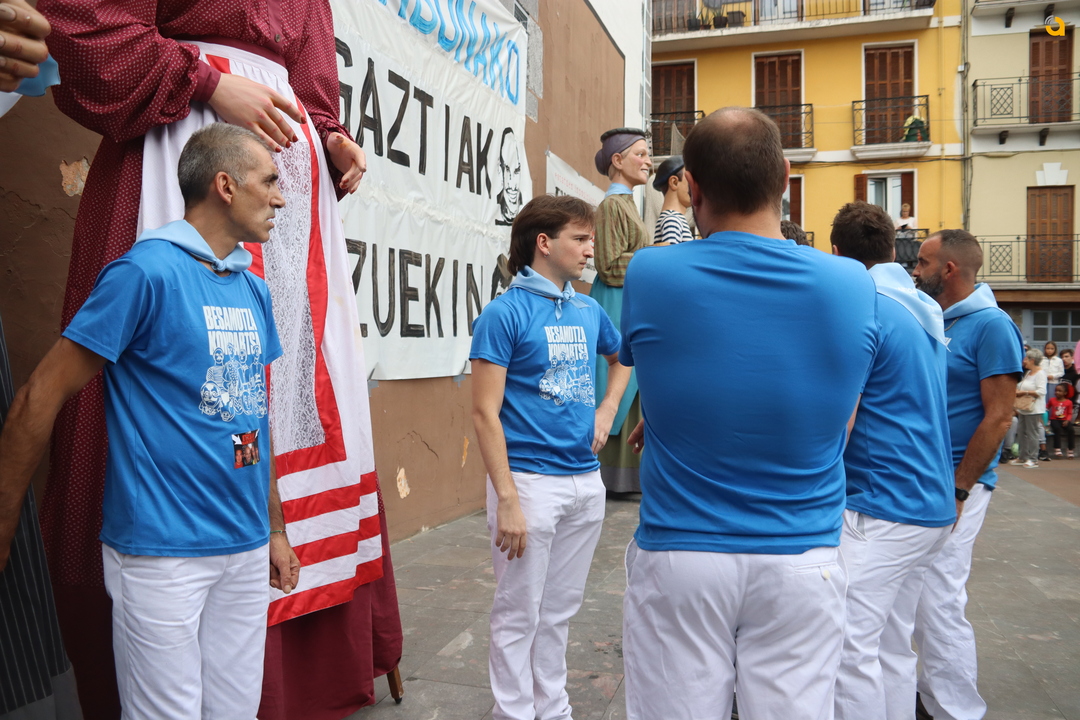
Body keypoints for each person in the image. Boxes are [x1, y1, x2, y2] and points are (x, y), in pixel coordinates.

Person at [37, 2, 399, 716]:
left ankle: (276, 547)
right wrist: (203, 80)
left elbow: (312, 77)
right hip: (182, 132)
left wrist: (329, 133)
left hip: (286, 161)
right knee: (177, 360)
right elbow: (81, 19)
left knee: (269, 384)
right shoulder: (147, 268)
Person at [0, 124, 298, 718]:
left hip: (244, 547)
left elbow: (253, 414)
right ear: (225, 186)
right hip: (163, 552)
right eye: (269, 181)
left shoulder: (252, 289)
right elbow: (39, 396)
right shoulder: (144, 272)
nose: (280, 198)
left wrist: (275, 529)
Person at [619, 107, 879, 720]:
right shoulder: (852, 283)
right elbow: (841, 412)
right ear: (785, 176)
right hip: (804, 555)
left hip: (682, 552)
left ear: (693, 187)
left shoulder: (651, 271)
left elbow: (657, 371)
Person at [470, 194, 631, 720]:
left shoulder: (587, 309)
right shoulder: (504, 313)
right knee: (518, 612)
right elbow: (484, 413)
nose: (590, 250)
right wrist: (507, 497)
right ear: (544, 243)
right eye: (579, 239)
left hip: (585, 482)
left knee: (559, 612)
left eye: (590, 240)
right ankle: (514, 713)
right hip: (529, 484)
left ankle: (553, 709)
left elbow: (623, 358)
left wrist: (608, 409)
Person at [829, 202, 955, 720]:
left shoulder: (866, 305)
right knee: (892, 647)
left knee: (847, 646)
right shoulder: (918, 307)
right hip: (928, 503)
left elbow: (844, 415)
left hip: (883, 503)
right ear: (890, 249)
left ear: (837, 253)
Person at [911, 229, 1023, 720]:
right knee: (920, 595)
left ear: (949, 269)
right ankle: (929, 695)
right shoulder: (935, 318)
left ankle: (956, 710)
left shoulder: (992, 325)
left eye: (922, 262)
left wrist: (960, 488)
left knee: (939, 596)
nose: (915, 270)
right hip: (925, 479)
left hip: (960, 482)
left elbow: (999, 416)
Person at [590, 127, 652, 493]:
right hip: (613, 304)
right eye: (640, 154)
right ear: (618, 160)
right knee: (616, 378)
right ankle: (610, 474)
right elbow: (609, 266)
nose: (648, 162)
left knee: (628, 381)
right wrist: (653, 257)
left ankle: (625, 475)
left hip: (625, 302)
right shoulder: (612, 206)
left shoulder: (626, 204)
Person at [1010, 348, 1047, 469]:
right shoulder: (1028, 373)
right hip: (1024, 408)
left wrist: (1024, 392)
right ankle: (1022, 456)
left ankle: (1033, 458)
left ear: (1032, 360)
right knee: (1021, 432)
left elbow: (1041, 391)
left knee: (1032, 433)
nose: (1024, 361)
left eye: (1026, 358)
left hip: (1034, 409)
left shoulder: (1040, 374)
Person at [652, 155, 693, 244]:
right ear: (674, 182)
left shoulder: (674, 219)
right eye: (689, 182)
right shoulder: (672, 220)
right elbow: (671, 252)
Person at [495, 128, 522, 226]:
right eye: (507, 169)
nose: (513, 185)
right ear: (500, 171)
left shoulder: (528, 209)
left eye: (516, 171)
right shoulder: (493, 206)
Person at [1047, 383, 1074, 458]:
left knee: (1071, 430)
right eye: (1056, 390)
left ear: (1065, 393)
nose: (1057, 392)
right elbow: (1047, 407)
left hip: (1065, 420)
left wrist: (1067, 421)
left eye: (1059, 391)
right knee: (1057, 429)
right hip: (1054, 419)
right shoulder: (1052, 400)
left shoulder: (1069, 402)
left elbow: (1069, 413)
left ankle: (1070, 449)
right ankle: (1057, 448)